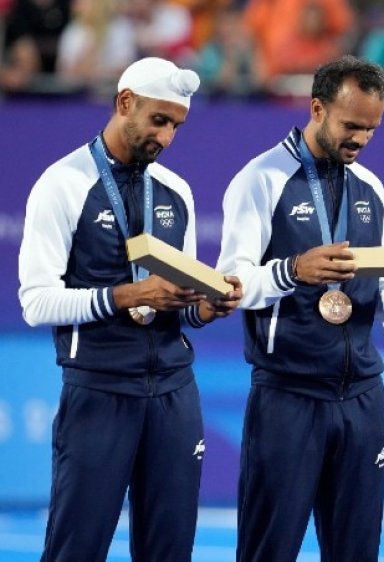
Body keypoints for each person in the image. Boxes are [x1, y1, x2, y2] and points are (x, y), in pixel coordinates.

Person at [215, 55, 384, 562]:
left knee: (356, 553)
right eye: (351, 126)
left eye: (371, 129)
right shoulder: (260, 180)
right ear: (317, 108)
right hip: (288, 396)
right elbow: (230, 285)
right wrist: (292, 270)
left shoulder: (370, 189)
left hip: (361, 399)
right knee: (268, 551)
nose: (361, 140)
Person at [17, 56, 243, 562]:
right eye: (158, 121)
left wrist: (205, 307)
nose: (166, 138)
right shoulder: (64, 184)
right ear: (125, 103)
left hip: (174, 393)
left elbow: (177, 305)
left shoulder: (176, 192)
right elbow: (35, 303)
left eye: (177, 127)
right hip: (99, 390)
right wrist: (127, 295)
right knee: (78, 546)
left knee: (170, 550)